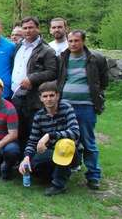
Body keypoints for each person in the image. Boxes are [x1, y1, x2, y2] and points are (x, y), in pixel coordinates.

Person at [57, 30, 108, 190]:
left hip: (86, 105)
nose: (73, 44)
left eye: (76, 41)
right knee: (67, 139)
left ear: (83, 41)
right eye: (70, 41)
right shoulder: (63, 58)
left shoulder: (95, 58)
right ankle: (67, 170)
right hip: (65, 105)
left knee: (88, 141)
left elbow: (104, 81)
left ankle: (93, 175)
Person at [18, 81, 80, 196]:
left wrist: (49, 135)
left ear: (57, 96)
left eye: (52, 95)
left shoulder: (66, 108)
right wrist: (26, 157)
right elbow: (33, 140)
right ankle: (57, 175)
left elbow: (75, 132)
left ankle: (58, 185)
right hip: (50, 152)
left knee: (64, 145)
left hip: (70, 151)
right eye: (45, 96)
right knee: (33, 165)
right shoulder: (39, 116)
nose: (49, 99)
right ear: (41, 98)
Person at [10, 17, 57, 150]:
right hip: (16, 95)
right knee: (18, 130)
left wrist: (32, 78)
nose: (28, 30)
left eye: (31, 27)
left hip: (34, 98)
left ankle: (32, 161)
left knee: (33, 132)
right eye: (25, 28)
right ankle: (18, 162)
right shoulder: (18, 46)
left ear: (38, 29)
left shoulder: (47, 50)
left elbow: (53, 72)